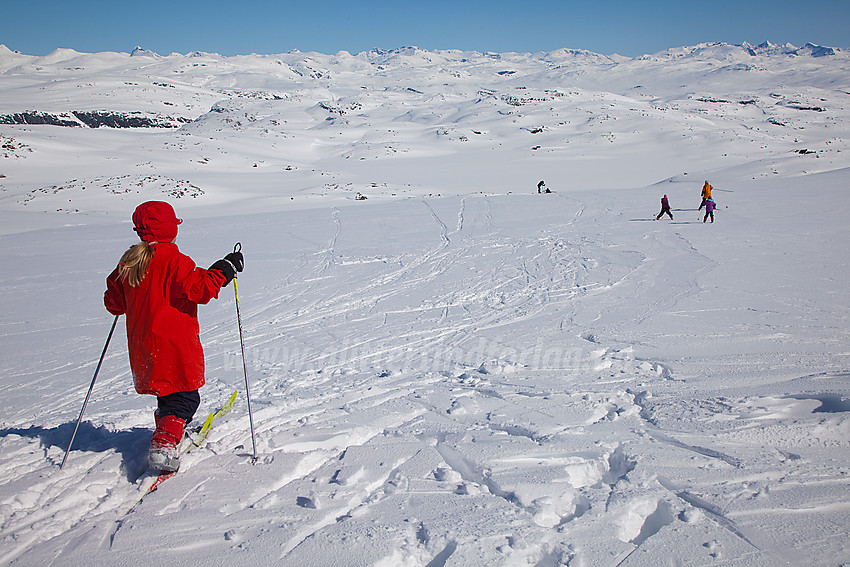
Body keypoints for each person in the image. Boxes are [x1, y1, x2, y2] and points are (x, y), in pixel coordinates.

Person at [104, 201, 244, 472]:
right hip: (173, 345)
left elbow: (114, 303)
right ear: (170, 229)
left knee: (167, 392)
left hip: (144, 347)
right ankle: (164, 442)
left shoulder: (129, 262)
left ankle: (168, 426)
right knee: (185, 398)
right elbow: (200, 290)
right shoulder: (173, 260)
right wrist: (225, 270)